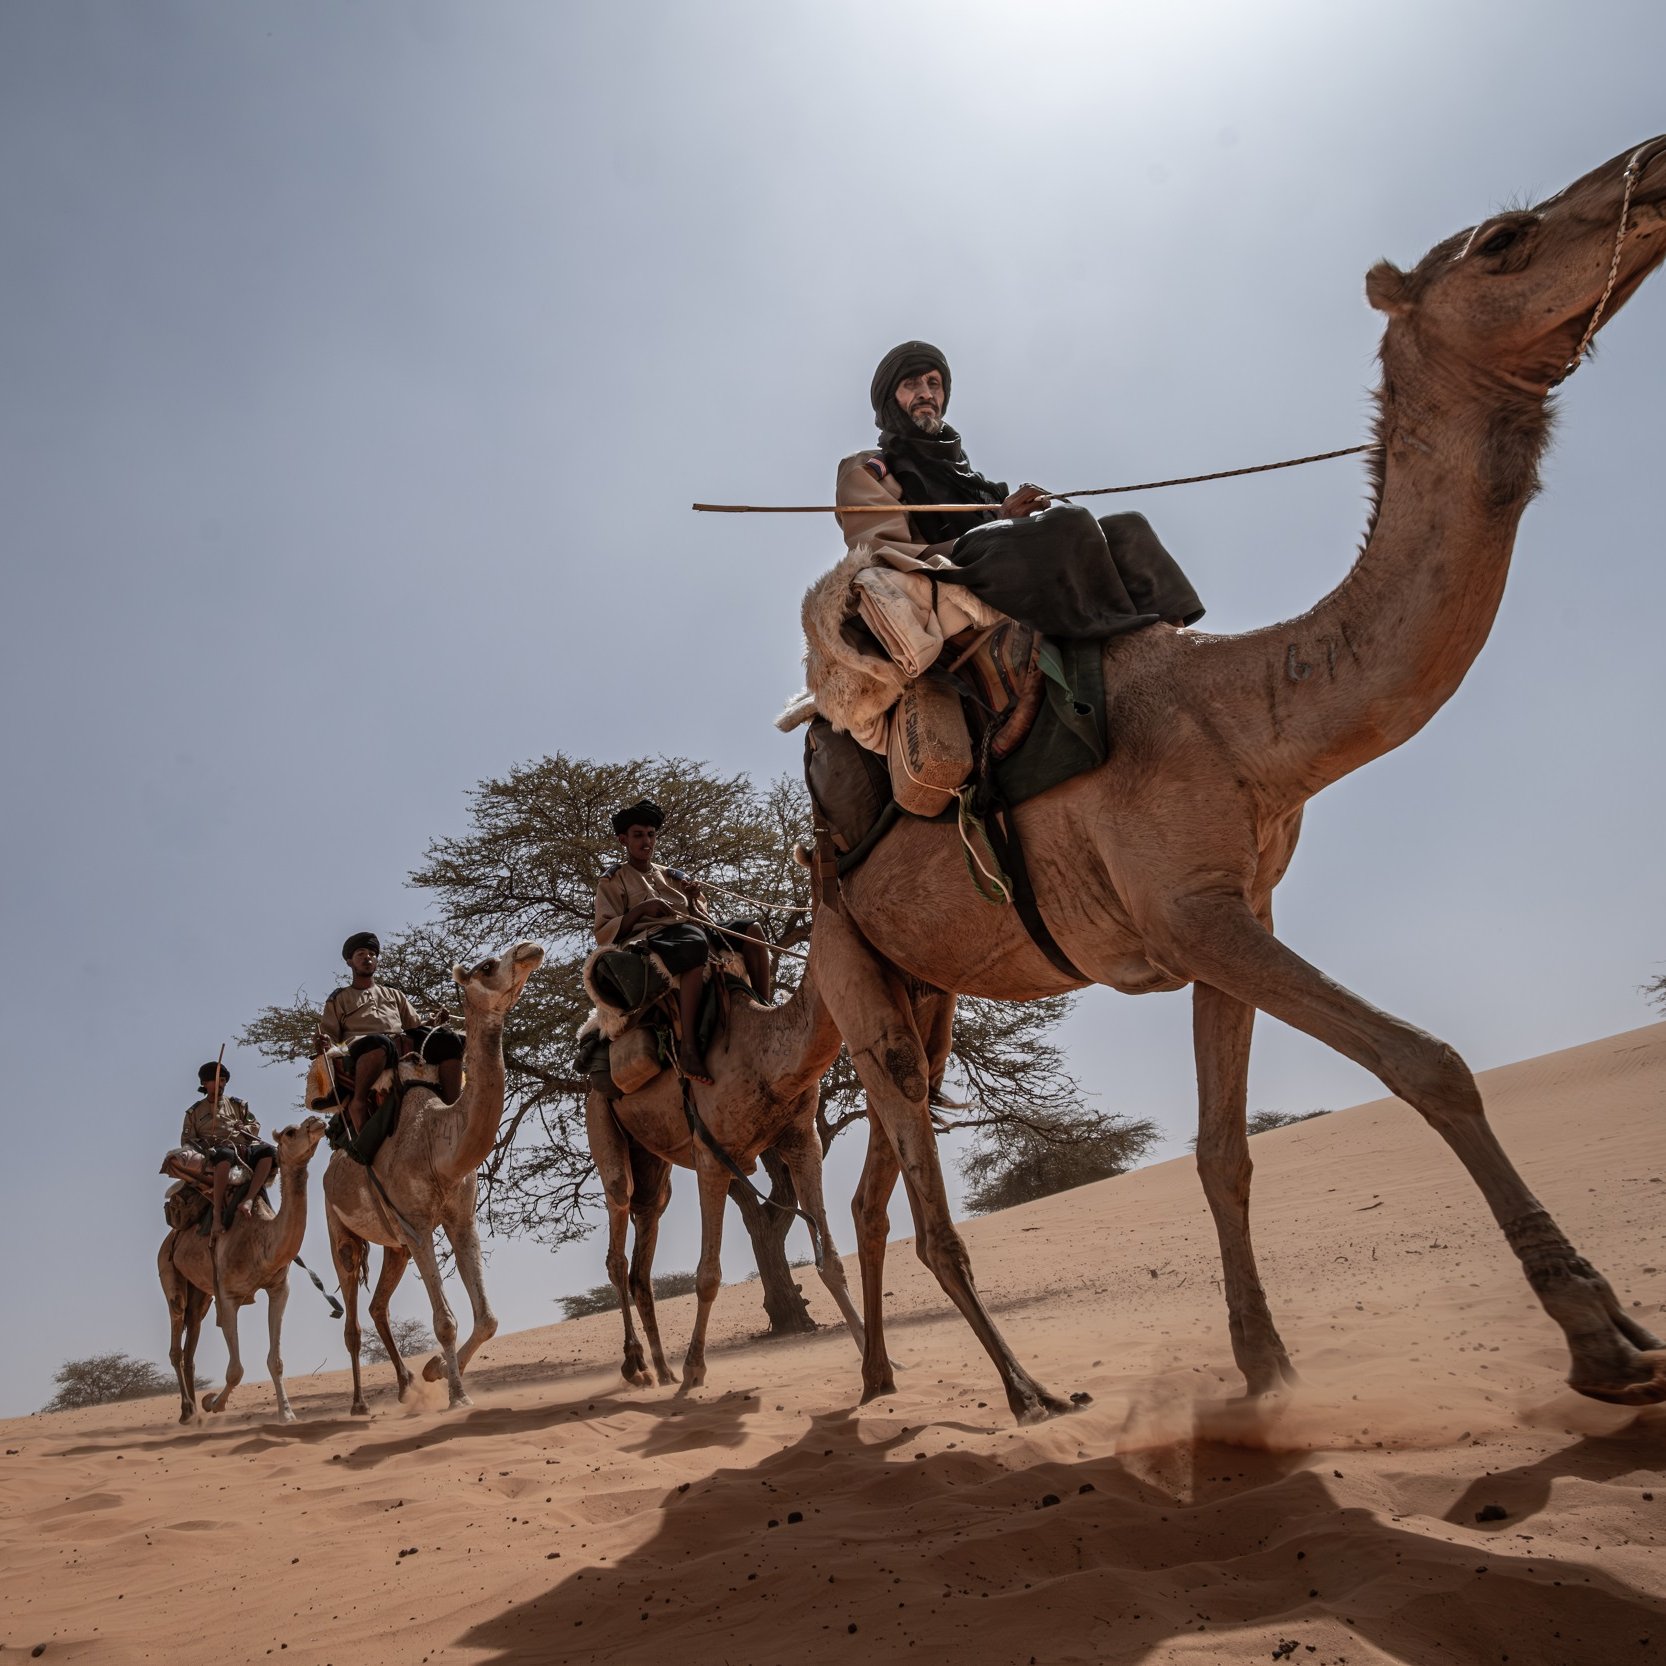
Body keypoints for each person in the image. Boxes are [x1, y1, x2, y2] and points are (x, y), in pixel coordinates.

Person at [835, 340, 1205, 641]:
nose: (926, 393)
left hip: (997, 549)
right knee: (1068, 522)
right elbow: (881, 552)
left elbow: (1003, 526)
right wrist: (1000, 528)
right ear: (890, 399)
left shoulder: (966, 473)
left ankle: (1171, 640)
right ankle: (1120, 641)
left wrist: (1016, 516)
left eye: (934, 383)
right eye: (911, 384)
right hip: (945, 567)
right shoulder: (871, 468)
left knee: (1128, 527)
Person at [593, 799, 772, 1087]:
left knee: (752, 930)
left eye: (650, 835)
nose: (646, 841)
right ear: (623, 840)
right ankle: (689, 1048)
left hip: (692, 929)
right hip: (652, 939)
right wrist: (641, 910)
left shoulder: (672, 875)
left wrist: (692, 898)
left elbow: (702, 916)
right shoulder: (612, 881)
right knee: (694, 943)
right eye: (638, 835)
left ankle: (765, 1009)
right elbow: (604, 931)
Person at [314, 932, 463, 1137]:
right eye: (361, 953)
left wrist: (436, 1023)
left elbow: (415, 1026)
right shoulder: (339, 998)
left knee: (449, 1040)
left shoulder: (394, 994)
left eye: (372, 954)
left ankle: (452, 1108)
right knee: (380, 1041)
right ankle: (358, 1102)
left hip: (399, 1043)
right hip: (364, 1047)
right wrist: (323, 1042)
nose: (368, 957)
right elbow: (330, 1036)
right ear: (350, 961)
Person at [165, 1061, 276, 1237]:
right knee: (225, 1155)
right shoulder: (194, 1113)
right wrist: (204, 1145)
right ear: (204, 1084)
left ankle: (248, 1199)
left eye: (223, 1080)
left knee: (269, 1152)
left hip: (243, 1148)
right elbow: (187, 1140)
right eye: (216, 1080)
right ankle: (217, 1216)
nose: (220, 1084)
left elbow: (254, 1125)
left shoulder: (238, 1105)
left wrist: (244, 1129)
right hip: (215, 1153)